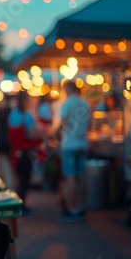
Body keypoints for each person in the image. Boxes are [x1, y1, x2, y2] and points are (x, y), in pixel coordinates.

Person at [58, 81, 91, 222]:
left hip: (69, 144)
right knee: (81, 176)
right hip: (82, 143)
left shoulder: (66, 104)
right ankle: (81, 207)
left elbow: (63, 123)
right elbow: (90, 125)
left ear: (67, 89)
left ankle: (73, 209)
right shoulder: (86, 104)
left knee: (71, 177)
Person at [7, 91, 42, 213]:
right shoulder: (27, 116)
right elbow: (32, 134)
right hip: (26, 152)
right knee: (24, 181)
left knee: (19, 180)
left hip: (15, 152)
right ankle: (20, 206)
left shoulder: (13, 114)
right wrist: (40, 131)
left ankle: (18, 205)